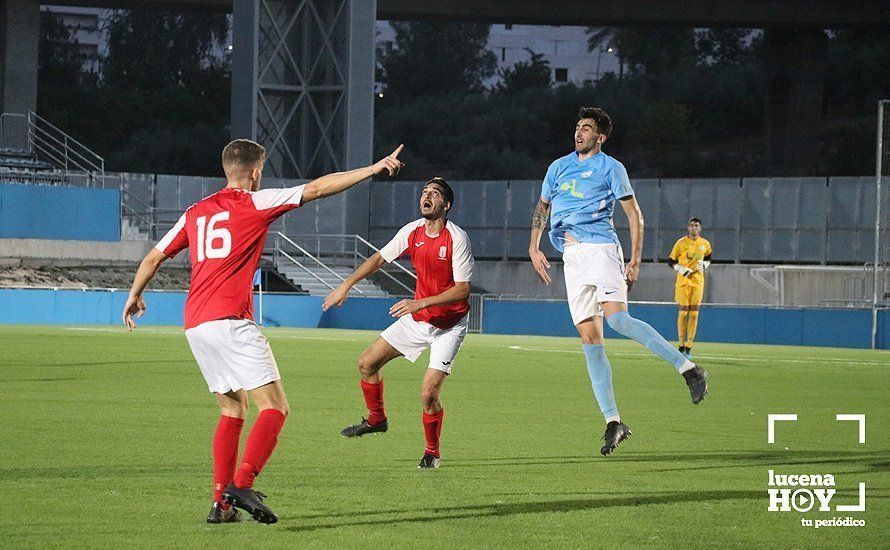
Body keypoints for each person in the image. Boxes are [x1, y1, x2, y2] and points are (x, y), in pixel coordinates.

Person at [122, 139, 405, 523]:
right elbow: (319, 188)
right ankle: (241, 483)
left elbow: (154, 257)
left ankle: (220, 506)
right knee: (275, 408)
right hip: (231, 321)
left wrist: (134, 295)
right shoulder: (255, 202)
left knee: (231, 408)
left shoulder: (194, 212)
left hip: (196, 325)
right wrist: (372, 169)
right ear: (255, 173)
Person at [528, 107, 708, 457]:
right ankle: (614, 421)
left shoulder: (611, 168)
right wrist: (533, 246)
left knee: (618, 319)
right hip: (571, 256)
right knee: (589, 339)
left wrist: (635, 259)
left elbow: (633, 214)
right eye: (577, 127)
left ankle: (688, 368)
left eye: (587, 128)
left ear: (601, 136)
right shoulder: (557, 167)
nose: (579, 133)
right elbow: (542, 208)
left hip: (600, 249)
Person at [322, 177, 473, 469]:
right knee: (367, 364)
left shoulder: (457, 238)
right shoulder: (412, 231)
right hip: (417, 320)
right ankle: (377, 419)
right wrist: (347, 284)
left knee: (429, 394)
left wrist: (420, 303)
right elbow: (379, 259)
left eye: (435, 194)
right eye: (425, 192)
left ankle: (432, 452)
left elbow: (463, 289)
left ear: (446, 205)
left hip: (449, 325)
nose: (426, 196)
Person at [668, 218, 713, 358]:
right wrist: (679, 268)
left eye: (696, 226)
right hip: (683, 281)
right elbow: (671, 261)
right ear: (688, 228)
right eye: (692, 225)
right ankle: (680, 345)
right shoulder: (680, 243)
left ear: (700, 228)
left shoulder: (705, 244)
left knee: (694, 313)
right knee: (683, 312)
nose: (694, 228)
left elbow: (709, 257)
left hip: (698, 280)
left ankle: (689, 347)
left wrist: (705, 265)